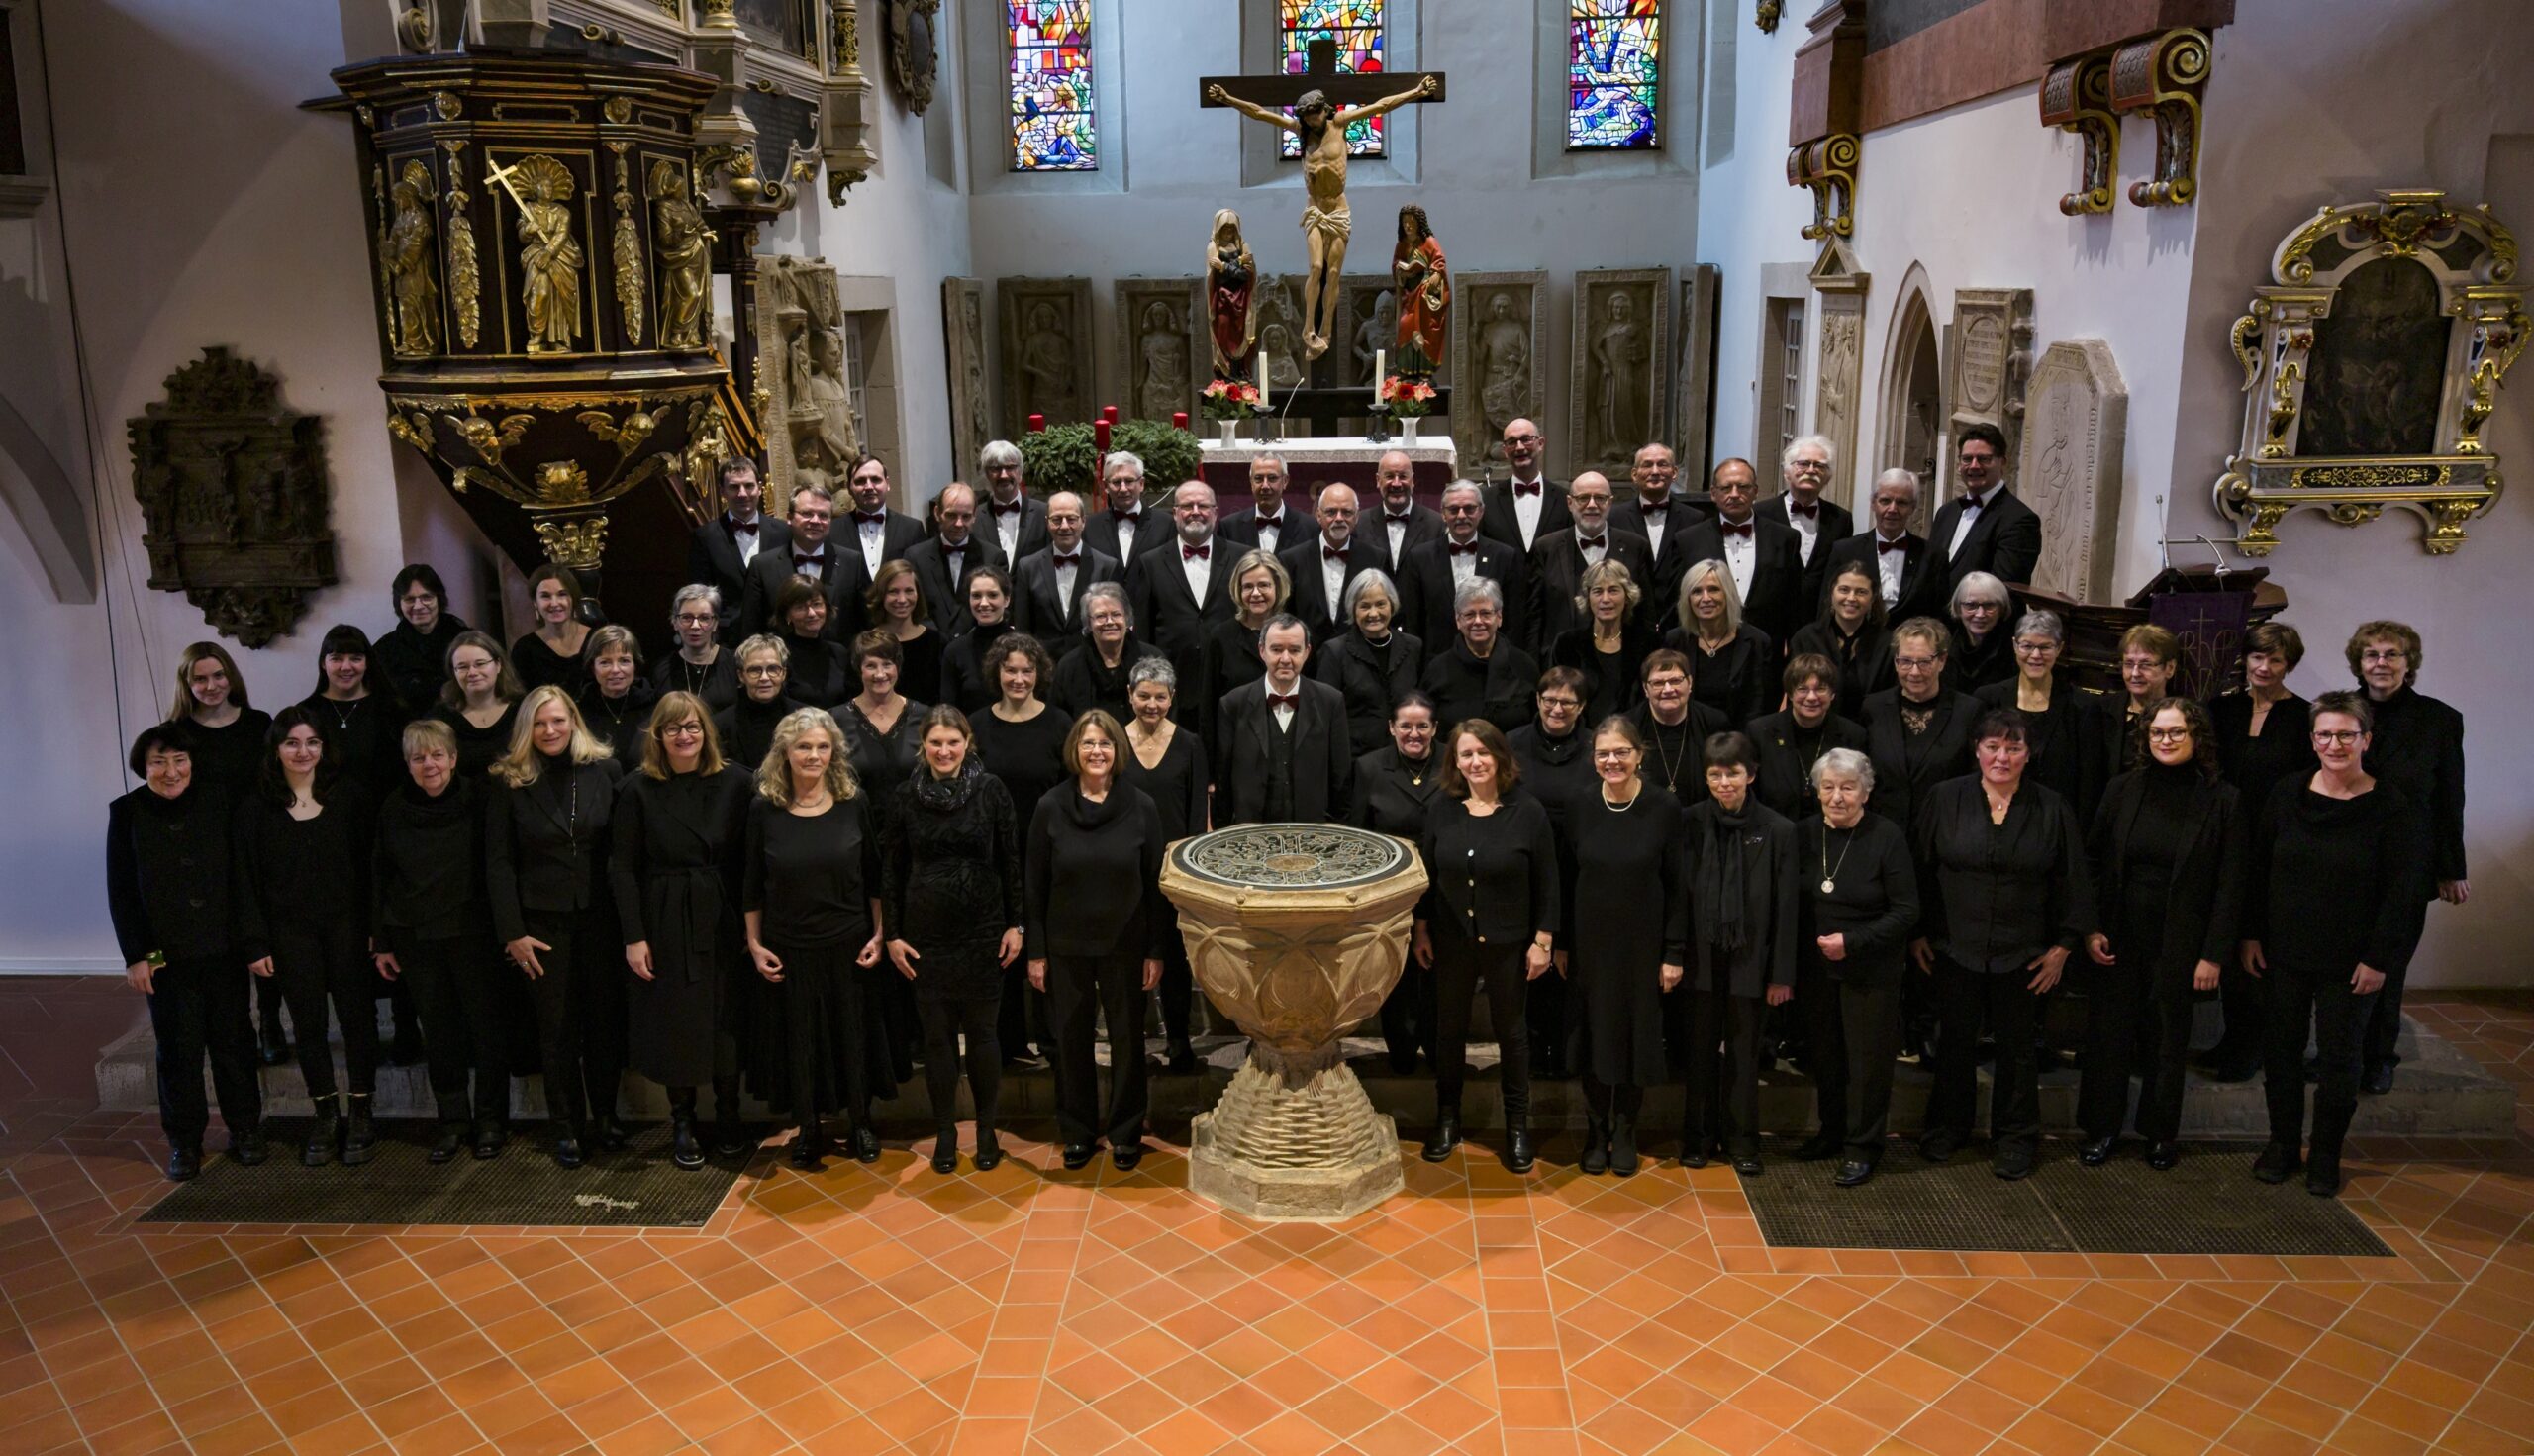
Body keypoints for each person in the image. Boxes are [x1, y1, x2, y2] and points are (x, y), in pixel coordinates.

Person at [2243, 691, 2429, 1197]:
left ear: (2366, 739)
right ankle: (2283, 1144)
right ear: (2312, 740)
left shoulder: (2392, 806)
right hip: (2282, 950)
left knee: (2340, 1061)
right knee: (2280, 1052)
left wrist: (2378, 958)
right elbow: (2259, 867)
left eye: (2346, 734)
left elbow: (2402, 893)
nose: (2334, 744)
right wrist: (2252, 933)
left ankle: (2325, 1154)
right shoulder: (2286, 793)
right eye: (2325, 734)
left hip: (2352, 960)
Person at [1909, 708, 2091, 1180]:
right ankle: (1947, 1129)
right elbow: (1920, 869)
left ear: (2029, 754)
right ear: (1976, 750)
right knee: (1954, 1042)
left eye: (2014, 748)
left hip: (2025, 953)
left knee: (2018, 1049)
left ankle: (2015, 1138)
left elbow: (2072, 880)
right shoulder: (1944, 798)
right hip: (1953, 948)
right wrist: (1918, 933)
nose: (2002, 757)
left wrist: (2063, 947)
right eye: (1993, 746)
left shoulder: (2052, 807)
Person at [2081, 698, 2246, 1170]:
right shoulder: (2121, 788)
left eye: (2176, 732)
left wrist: (2214, 954)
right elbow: (2093, 862)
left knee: (2168, 1040)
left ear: (2197, 738)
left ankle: (2159, 1134)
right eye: (2157, 732)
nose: (2165, 741)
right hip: (2119, 935)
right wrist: (2091, 928)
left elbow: (2231, 885)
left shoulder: (2223, 799)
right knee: (2108, 1037)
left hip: (2182, 942)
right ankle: (2102, 1128)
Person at [107, 724, 265, 1182]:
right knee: (178, 1051)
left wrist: (251, 941)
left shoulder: (220, 801)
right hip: (166, 957)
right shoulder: (127, 811)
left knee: (234, 1043)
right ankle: (184, 1142)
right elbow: (122, 890)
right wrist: (138, 956)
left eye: (179, 760)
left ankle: (245, 1130)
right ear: (143, 767)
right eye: (159, 762)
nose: (171, 771)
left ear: (193, 763)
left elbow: (240, 876)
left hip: (223, 949)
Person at [484, 686, 628, 1168]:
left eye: (559, 721)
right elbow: (499, 862)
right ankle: (566, 1126)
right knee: (558, 1029)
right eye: (540, 723)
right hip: (541, 925)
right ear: (527, 728)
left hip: (601, 918)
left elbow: (620, 850)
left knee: (604, 1024)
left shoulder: (605, 770)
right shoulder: (509, 781)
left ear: (574, 722)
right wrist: (511, 932)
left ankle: (606, 1117)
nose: (550, 731)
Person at [612, 693, 755, 1170]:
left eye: (693, 726)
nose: (684, 736)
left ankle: (730, 1114)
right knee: (677, 1020)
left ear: (707, 732)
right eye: (673, 728)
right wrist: (634, 936)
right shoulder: (636, 789)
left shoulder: (737, 782)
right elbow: (622, 867)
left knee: (726, 1016)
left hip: (722, 912)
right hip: (665, 916)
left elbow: (750, 860)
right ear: (657, 736)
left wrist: (752, 926)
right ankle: (683, 1120)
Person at [1411, 720, 1560, 1173]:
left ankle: (1517, 1126)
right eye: (1466, 754)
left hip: (1509, 943)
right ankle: (1448, 1119)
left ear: (1499, 756)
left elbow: (1548, 881)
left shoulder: (1527, 811)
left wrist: (1543, 940)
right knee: (1448, 1031)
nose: (1475, 762)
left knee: (1512, 1035)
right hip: (1451, 940)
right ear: (1455, 762)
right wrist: (1421, 929)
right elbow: (1428, 875)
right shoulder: (1442, 808)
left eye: (1483, 753)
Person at [236, 706, 380, 1167]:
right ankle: (326, 1115)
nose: (303, 752)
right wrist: (256, 943)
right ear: (276, 749)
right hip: (289, 933)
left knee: (358, 1020)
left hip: (348, 928)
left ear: (324, 747)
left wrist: (377, 930)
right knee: (309, 1025)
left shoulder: (351, 797)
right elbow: (245, 881)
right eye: (292, 743)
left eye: (312, 742)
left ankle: (362, 1112)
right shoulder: (255, 807)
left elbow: (373, 870)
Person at [745, 707, 889, 1169]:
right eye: (804, 746)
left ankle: (861, 1123)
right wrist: (754, 944)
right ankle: (808, 1127)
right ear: (784, 752)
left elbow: (874, 876)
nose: (813, 755)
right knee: (801, 1040)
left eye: (822, 747)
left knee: (853, 1036)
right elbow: (752, 883)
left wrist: (880, 934)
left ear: (834, 752)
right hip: (789, 944)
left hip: (849, 940)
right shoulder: (764, 808)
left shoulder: (853, 801)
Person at [883, 707, 1024, 1174]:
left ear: (968, 743)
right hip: (926, 938)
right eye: (936, 743)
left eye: (953, 742)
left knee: (983, 1035)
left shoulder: (991, 790)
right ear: (922, 746)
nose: (945, 751)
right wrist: (893, 935)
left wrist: (1017, 924)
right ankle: (946, 1132)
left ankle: (986, 1130)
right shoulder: (904, 796)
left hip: (984, 933)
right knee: (938, 1039)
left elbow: (1011, 859)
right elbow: (892, 869)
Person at [1026, 712, 1169, 1171]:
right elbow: (1035, 885)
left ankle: (1126, 1132)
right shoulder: (1050, 806)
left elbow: (1156, 886)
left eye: (1105, 744)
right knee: (1071, 1042)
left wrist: (1155, 949)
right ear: (1074, 749)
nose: (1096, 752)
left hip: (1125, 945)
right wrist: (1037, 951)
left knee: (1128, 1041)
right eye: (1088, 743)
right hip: (1066, 945)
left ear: (1117, 751)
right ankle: (1078, 1131)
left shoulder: (1142, 806)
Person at [372, 719, 507, 1163]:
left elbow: (496, 865)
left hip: (473, 932)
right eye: (418, 757)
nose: (428, 764)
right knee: (440, 1031)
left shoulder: (480, 799)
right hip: (417, 935)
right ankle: (452, 1122)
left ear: (453, 758)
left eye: (436, 755)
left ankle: (491, 1121)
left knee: (487, 1029)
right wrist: (382, 940)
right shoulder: (393, 807)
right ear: (407, 763)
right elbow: (380, 874)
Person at [2347, 621, 2467, 1095]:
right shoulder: (2339, 711)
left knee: (2389, 961)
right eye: (2371, 654)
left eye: (2391, 654)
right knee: (2343, 961)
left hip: (2408, 859)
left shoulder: (2440, 719)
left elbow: (2450, 797)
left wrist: (2451, 868)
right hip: (2347, 857)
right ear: (2358, 662)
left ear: (2408, 662)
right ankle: (2343, 1053)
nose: (2381, 663)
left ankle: (2379, 1057)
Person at [1565, 717, 1687, 1176]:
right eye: (1603, 753)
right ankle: (1597, 1132)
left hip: (1643, 946)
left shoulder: (1664, 806)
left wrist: (1673, 952)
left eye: (1621, 752)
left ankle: (1626, 1130)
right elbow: (1568, 875)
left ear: (1639, 755)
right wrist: (1561, 944)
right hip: (1591, 946)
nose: (1611, 761)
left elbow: (1677, 886)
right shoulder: (1579, 804)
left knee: (1635, 1037)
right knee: (1595, 1035)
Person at [1795, 749, 1919, 1187]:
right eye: (1828, 787)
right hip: (1816, 972)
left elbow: (1906, 910)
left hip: (1871, 971)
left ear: (1866, 792)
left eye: (1848, 787)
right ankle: (1832, 1133)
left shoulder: (1886, 836)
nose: (1837, 796)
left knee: (1867, 1064)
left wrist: (1852, 942)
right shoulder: (1804, 833)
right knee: (1826, 1058)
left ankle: (1863, 1147)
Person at [1678, 731, 1799, 1174]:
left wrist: (1781, 974)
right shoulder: (1689, 822)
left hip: (1751, 959)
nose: (1724, 783)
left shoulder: (1778, 829)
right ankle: (1698, 1138)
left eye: (1733, 774)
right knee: (1699, 1051)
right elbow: (1678, 896)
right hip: (1701, 957)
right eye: (1715, 775)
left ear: (1751, 775)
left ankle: (1743, 1142)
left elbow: (1786, 908)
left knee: (1745, 1055)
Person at [2204, 621, 2315, 1082]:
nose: (2264, 667)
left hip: (2277, 844)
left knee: (2264, 947)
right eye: (2256, 657)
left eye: (2275, 659)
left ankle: (2256, 1045)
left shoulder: (2305, 716)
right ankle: (2235, 1037)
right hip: (2226, 838)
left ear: (2289, 665)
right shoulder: (2221, 709)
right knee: (2230, 939)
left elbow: (2308, 785)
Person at [1117, 657, 1211, 1075]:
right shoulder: (1115, 741)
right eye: (1144, 696)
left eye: (1160, 696)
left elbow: (1195, 813)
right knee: (1129, 959)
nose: (1151, 704)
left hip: (1173, 872)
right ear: (1130, 695)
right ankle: (1132, 1044)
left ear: (1172, 698)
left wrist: (1188, 870)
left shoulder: (1189, 744)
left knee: (1174, 960)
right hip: (1126, 870)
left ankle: (1178, 1042)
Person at [1350, 694, 1445, 1074]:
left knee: (1441, 973)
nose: (1414, 733)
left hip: (1445, 886)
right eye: (1405, 725)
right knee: (1397, 973)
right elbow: (1357, 836)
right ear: (1391, 728)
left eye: (1423, 726)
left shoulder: (1454, 763)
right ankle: (1401, 1051)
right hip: (1391, 892)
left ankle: (1439, 1050)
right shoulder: (1369, 767)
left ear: (1435, 728)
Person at [1507, 670, 1593, 1080]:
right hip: (1526, 868)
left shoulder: (1594, 747)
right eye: (1550, 700)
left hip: (1579, 866)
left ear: (1581, 707)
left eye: (1568, 702)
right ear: (1537, 700)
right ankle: (1532, 1053)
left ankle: (1568, 1053)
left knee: (1569, 963)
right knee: (1531, 962)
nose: (1557, 708)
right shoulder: (1513, 744)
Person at [1214, 615, 1351, 825]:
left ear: (1307, 652)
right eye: (1276, 650)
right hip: (1250, 831)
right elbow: (1223, 780)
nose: (1285, 659)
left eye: (1294, 650)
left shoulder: (1331, 701)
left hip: (1313, 830)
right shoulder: (1232, 703)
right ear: (1262, 651)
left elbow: (1341, 777)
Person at [1861, 618, 1980, 832]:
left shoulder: (1968, 711)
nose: (1914, 672)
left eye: (1924, 662)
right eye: (1906, 661)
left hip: (1945, 832)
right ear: (1896, 662)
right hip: (1885, 833)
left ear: (1942, 661)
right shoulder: (1873, 707)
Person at [1972, 608, 2093, 819]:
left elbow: (2088, 780)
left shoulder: (2082, 706)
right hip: (1995, 813)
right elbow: (1976, 765)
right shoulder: (1988, 699)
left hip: (2055, 818)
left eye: (2045, 647)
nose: (2036, 656)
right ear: (2014, 646)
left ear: (2059, 649)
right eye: (2027, 646)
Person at [1126, 480, 1237, 704]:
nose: (1195, 512)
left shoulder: (1240, 558)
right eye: (1187, 506)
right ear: (1175, 513)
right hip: (1171, 684)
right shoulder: (1150, 563)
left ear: (1215, 513)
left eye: (1202, 506)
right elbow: (1144, 631)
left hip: (1228, 680)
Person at [1676, 458, 1806, 646]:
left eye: (1743, 487)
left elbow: (1795, 601)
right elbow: (1679, 599)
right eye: (1726, 488)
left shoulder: (1785, 538)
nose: (1735, 494)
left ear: (1755, 491)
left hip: (1768, 647)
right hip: (1707, 644)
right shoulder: (1688, 539)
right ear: (1713, 493)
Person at [1528, 473, 1656, 653]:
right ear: (1569, 503)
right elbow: (1535, 617)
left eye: (1600, 498)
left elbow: (1647, 614)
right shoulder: (1546, 548)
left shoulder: (1636, 547)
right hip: (1561, 659)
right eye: (1583, 498)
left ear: (1610, 502)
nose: (1591, 505)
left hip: (1622, 659)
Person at [1402, 481, 1528, 652]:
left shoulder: (1505, 557)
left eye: (1469, 508)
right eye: (1453, 509)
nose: (1461, 515)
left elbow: (1513, 622)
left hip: (1491, 659)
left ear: (1481, 511)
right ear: (1443, 514)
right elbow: (1413, 622)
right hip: (1437, 661)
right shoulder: (1419, 558)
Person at [1315, 570, 1424, 760]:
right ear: (1353, 609)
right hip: (1355, 761)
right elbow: (1324, 716)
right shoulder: (1334, 652)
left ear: (1392, 604)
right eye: (1364, 606)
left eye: (1380, 604)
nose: (1373, 613)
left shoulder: (1414, 647)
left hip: (1406, 758)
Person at [1818, 468, 1945, 629]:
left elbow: (1940, 618)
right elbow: (1826, 607)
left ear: (1913, 508)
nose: (1892, 509)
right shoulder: (1844, 551)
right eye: (1885, 501)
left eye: (1901, 502)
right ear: (1873, 503)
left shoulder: (1934, 556)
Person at [1748, 654, 1868, 822]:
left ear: (1833, 694)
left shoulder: (1853, 735)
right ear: (1790, 693)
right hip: (1775, 830)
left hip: (1832, 830)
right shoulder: (1760, 732)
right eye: (1802, 689)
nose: (1812, 697)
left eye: (1821, 689)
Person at [687, 456, 792, 646]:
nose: (743, 493)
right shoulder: (705, 537)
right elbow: (700, 594)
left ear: (760, 488)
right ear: (722, 492)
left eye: (749, 486)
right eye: (734, 487)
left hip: (778, 637)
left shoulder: (784, 532)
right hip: (728, 641)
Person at [302, 624, 408, 804]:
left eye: (356, 659)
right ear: (323, 663)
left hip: (383, 811)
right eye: (336, 659)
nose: (346, 667)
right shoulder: (305, 713)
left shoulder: (392, 709)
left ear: (367, 663)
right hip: (322, 812)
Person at [741, 479, 859, 642]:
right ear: (789, 517)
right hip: (782, 657)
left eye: (823, 515)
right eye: (807, 513)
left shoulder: (852, 561)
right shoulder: (762, 566)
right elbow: (751, 631)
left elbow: (861, 625)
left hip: (838, 657)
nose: (815, 520)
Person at [1419, 579, 1540, 736]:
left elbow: (1537, 725)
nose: (1478, 621)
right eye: (1469, 614)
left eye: (1485, 613)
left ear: (1499, 616)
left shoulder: (1523, 665)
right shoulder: (1437, 670)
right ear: (1458, 620)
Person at [1663, 559, 1776, 726]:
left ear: (1728, 594)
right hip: (1689, 734)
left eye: (1714, 589)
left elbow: (1761, 705)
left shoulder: (1757, 642)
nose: (1706, 598)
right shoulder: (1674, 640)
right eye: (1696, 591)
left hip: (1741, 736)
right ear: (1688, 599)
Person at [1927, 423, 2040, 589]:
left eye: (1983, 459)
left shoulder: (2019, 520)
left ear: (2003, 462)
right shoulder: (1946, 512)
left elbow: (2002, 589)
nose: (1974, 466)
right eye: (1967, 459)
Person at [1011, 492, 1122, 661]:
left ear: (1083, 521)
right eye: (1057, 519)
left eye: (1071, 519)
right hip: (1044, 665)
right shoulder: (1027, 567)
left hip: (1092, 663)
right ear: (1047, 522)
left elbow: (1112, 624)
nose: (1064, 526)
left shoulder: (1107, 567)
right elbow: (1023, 628)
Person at [1198, 549, 1291, 744]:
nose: (1256, 593)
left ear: (1278, 586)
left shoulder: (1293, 633)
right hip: (1236, 744)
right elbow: (1208, 707)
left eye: (1263, 585)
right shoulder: (1221, 636)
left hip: (1285, 743)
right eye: (1248, 586)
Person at [1550, 558, 1657, 723]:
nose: (1605, 599)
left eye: (1613, 590)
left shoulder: (1649, 643)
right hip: (1582, 733)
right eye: (1597, 591)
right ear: (1588, 598)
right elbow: (1558, 696)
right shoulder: (1567, 644)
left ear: (1627, 596)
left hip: (1635, 731)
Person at [1789, 562, 1894, 724]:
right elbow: (1795, 692)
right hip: (1816, 728)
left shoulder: (1887, 644)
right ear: (1832, 592)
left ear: (1872, 598)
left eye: (1861, 592)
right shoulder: (1805, 638)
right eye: (1844, 590)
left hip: (1871, 730)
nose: (1851, 598)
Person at [167, 641, 271, 802]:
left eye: (218, 675)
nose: (211, 686)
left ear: (231, 676)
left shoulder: (260, 722)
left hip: (257, 815)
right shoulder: (173, 732)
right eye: (200, 679)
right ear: (186, 683)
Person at [1763, 435, 1856, 611]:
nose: (1811, 470)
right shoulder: (1761, 514)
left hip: (1820, 618)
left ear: (1828, 477)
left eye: (1820, 466)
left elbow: (1842, 573)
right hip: (1771, 617)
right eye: (1803, 464)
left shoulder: (1841, 519)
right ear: (1786, 472)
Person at [1051, 582, 1165, 725]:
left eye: (1116, 614)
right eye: (1100, 616)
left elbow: (1166, 712)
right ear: (1088, 623)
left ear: (1127, 618)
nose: (1109, 621)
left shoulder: (1153, 659)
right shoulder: (1069, 666)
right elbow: (1059, 721)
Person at [1624, 650, 1731, 802]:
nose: (1668, 690)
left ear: (1690, 683)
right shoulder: (1628, 726)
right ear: (1645, 689)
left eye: (1675, 681)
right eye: (1658, 683)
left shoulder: (1714, 722)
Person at [1280, 484, 1381, 643]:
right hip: (1308, 655)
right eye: (1331, 512)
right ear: (1318, 515)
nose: (1339, 518)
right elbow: (1285, 617)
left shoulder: (1375, 558)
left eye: (1347, 512)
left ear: (1356, 517)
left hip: (1360, 654)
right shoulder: (1291, 560)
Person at [904, 482, 1006, 638]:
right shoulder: (915, 557)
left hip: (977, 647)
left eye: (966, 516)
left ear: (974, 516)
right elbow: (913, 607)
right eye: (952, 515)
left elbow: (1000, 609)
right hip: (929, 646)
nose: (959, 523)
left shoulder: (993, 557)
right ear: (937, 513)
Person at [2093, 623, 2184, 782]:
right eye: (2128, 664)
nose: (2135, 673)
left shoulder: (2186, 715)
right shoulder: (2101, 710)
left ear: (2169, 668)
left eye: (2146, 664)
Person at [839, 630, 926, 795]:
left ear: (897, 667)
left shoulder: (924, 717)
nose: (880, 674)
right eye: (871, 666)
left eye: (887, 664)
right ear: (859, 669)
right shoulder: (836, 720)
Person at [432, 630, 525, 780]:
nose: (472, 673)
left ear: (498, 665)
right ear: (454, 672)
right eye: (462, 667)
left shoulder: (524, 708)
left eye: (480, 664)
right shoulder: (440, 718)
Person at [377, 564, 470, 713]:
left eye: (426, 597)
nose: (418, 606)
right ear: (399, 603)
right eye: (409, 599)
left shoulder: (467, 640)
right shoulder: (384, 649)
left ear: (438, 598)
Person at [714, 635, 805, 772]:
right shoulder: (720, 726)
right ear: (741, 676)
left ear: (783, 673)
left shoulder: (806, 719)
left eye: (773, 669)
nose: (764, 678)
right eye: (755, 670)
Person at [1479, 418, 1570, 553]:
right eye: (1512, 442)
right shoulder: (1486, 500)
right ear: (1505, 450)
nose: (1520, 447)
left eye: (1526, 439)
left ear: (1540, 444)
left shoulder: (1565, 498)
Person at [865, 558, 946, 707]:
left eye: (908, 591)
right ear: (881, 595)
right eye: (893, 591)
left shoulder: (937, 642)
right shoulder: (866, 644)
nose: (902, 599)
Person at [576, 625, 658, 764]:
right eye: (605, 662)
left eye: (624, 661)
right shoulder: (579, 710)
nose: (615, 670)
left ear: (635, 665)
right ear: (593, 667)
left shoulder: (655, 707)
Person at [941, 565, 1018, 713]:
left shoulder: (1025, 648)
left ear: (1006, 599)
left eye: (992, 595)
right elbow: (949, 711)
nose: (983, 603)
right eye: (976, 596)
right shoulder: (954, 651)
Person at [769, 575, 853, 708]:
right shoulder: (778, 655)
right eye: (800, 607)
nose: (811, 613)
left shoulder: (839, 653)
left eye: (816, 604)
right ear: (787, 614)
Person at [511, 562, 595, 695]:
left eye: (562, 594)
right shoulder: (524, 650)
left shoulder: (596, 640)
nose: (554, 603)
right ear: (535, 602)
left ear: (573, 599)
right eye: (545, 596)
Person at [656, 585, 741, 710]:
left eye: (704, 618)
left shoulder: (735, 663)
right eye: (687, 617)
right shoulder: (662, 670)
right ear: (675, 622)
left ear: (715, 623)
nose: (695, 625)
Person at [1218, 454, 1313, 557]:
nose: (1265, 486)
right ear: (1251, 482)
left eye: (1272, 478)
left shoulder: (1309, 527)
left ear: (1285, 481)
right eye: (1258, 478)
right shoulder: (1229, 527)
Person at [1085, 451, 1169, 567]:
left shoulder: (1166, 524)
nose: (1123, 489)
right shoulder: (1090, 527)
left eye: (1129, 481)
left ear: (1141, 484)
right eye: (1116, 482)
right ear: (1105, 486)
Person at [978, 438, 1051, 562]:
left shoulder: (1044, 512)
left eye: (1010, 468)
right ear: (986, 474)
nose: (1003, 475)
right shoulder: (974, 517)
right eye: (996, 469)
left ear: (1020, 472)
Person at [1943, 572, 2016, 697]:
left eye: (1989, 605)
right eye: (1971, 605)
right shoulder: (1945, 646)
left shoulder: (2012, 652)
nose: (1980, 614)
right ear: (1958, 607)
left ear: (2001, 609)